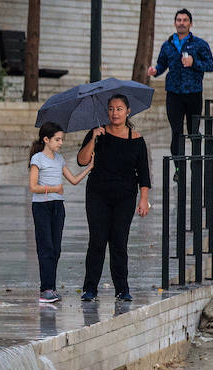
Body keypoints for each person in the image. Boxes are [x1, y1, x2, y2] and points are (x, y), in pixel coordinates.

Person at [77, 94, 151, 302]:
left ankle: (122, 289)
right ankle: (90, 288)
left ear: (128, 112)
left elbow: (144, 173)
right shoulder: (97, 133)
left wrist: (143, 199)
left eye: (119, 109)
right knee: (97, 241)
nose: (114, 113)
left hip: (125, 196)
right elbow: (82, 161)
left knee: (119, 241)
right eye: (111, 109)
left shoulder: (137, 139)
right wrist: (93, 138)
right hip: (97, 194)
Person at [28, 122, 93, 303]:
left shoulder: (59, 159)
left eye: (62, 139)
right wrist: (54, 188)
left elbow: (72, 180)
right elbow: (33, 187)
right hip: (42, 207)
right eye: (57, 139)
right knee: (46, 247)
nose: (60, 143)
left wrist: (89, 168)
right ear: (46, 139)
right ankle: (45, 289)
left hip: (58, 206)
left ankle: (52, 288)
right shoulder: (37, 159)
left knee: (56, 248)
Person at [147, 8, 213, 162]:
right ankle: (179, 167)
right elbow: (162, 64)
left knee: (193, 132)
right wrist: (155, 70)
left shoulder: (200, 44)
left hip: (193, 93)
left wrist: (193, 62)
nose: (181, 23)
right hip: (173, 94)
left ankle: (195, 165)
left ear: (190, 24)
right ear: (175, 23)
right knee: (176, 131)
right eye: (179, 20)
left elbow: (210, 65)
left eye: (185, 20)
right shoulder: (167, 45)